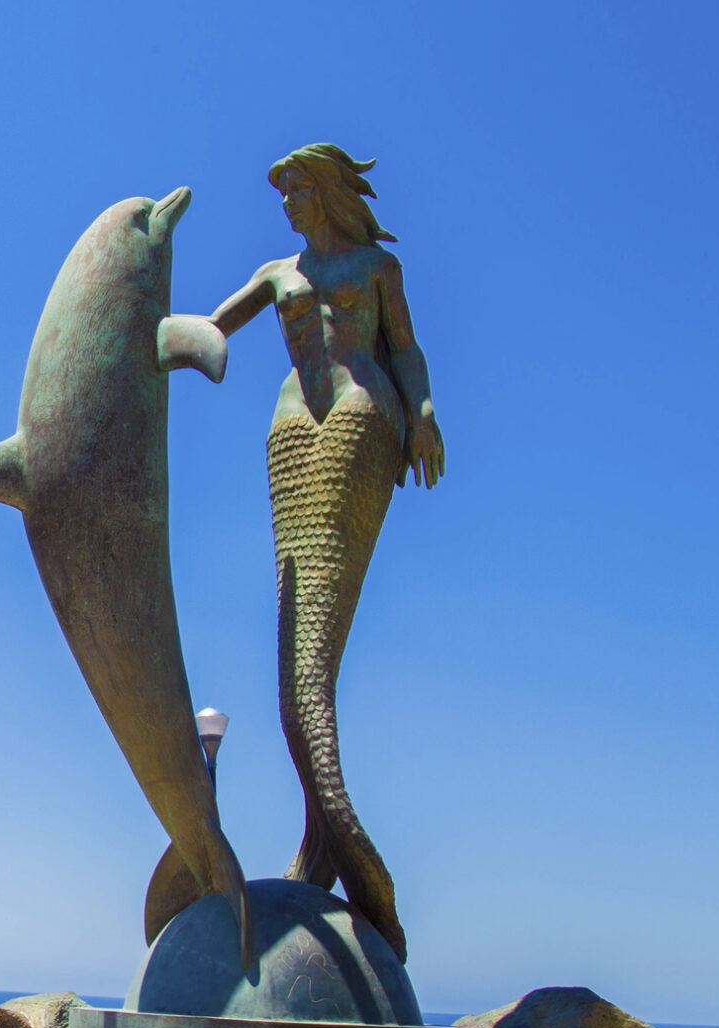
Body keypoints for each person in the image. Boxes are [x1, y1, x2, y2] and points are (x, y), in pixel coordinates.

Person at [188, 144, 444, 962]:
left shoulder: (376, 267)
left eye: (297, 189)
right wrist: (135, 338)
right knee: (295, 667)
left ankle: (345, 857)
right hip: (293, 428)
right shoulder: (276, 273)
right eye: (284, 193)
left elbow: (405, 347)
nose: (288, 203)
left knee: (311, 663)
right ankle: (327, 850)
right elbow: (205, 329)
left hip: (363, 416)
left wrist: (423, 411)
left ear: (326, 191)